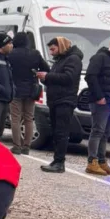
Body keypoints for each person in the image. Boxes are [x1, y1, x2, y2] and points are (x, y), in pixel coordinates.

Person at [83, 31, 110, 176]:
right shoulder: (100, 57)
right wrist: (99, 96)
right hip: (102, 102)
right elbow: (90, 76)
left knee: (106, 134)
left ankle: (102, 161)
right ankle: (92, 162)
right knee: (97, 131)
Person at [37, 37, 83, 173]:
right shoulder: (60, 60)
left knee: (61, 132)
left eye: (53, 49)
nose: (51, 53)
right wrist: (44, 78)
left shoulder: (73, 59)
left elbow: (69, 78)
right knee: (57, 132)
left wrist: (48, 76)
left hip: (65, 101)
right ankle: (56, 160)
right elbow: (56, 79)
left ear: (61, 46)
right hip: (55, 100)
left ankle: (59, 161)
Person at [5, 32, 49, 155]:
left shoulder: (11, 54)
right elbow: (46, 68)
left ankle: (16, 146)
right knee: (29, 118)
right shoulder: (35, 54)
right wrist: (35, 73)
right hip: (31, 90)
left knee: (15, 118)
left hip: (15, 90)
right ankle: (27, 147)